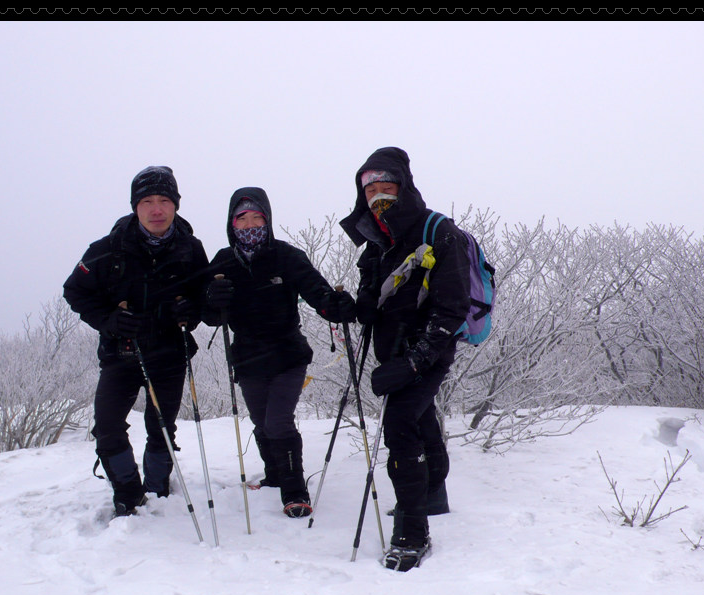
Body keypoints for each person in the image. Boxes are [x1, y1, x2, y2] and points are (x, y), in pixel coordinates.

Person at [339, 147, 471, 571]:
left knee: (399, 423)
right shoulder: (376, 244)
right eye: (371, 190)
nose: (379, 197)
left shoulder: (438, 231)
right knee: (418, 417)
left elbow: (451, 309)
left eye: (387, 188)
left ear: (404, 187)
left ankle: (413, 533)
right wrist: (350, 307)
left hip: (427, 350)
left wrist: (413, 363)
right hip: (391, 350)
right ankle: (434, 493)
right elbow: (370, 304)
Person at [63, 166, 209, 517]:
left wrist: (192, 310)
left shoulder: (191, 249)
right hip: (121, 353)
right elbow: (75, 291)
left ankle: (157, 487)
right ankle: (128, 493)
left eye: (164, 200)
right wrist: (109, 320)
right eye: (147, 201)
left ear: (175, 205)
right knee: (108, 425)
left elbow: (203, 299)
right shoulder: (107, 249)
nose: (156, 209)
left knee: (161, 426)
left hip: (170, 354)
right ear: (135, 206)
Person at [202, 187, 356, 518]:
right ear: (232, 223)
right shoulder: (223, 261)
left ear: (268, 219)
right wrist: (212, 299)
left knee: (278, 421)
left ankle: (294, 490)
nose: (250, 224)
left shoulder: (286, 256)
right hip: (247, 357)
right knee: (261, 421)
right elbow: (210, 316)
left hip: (287, 354)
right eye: (242, 217)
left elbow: (317, 292)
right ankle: (274, 476)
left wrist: (335, 306)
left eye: (257, 216)